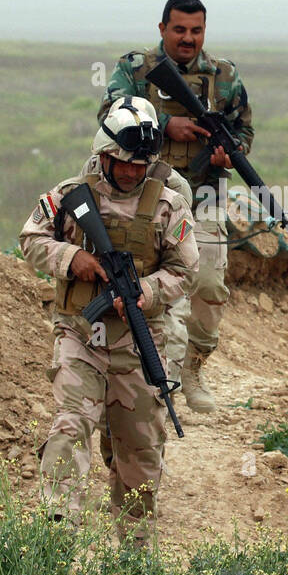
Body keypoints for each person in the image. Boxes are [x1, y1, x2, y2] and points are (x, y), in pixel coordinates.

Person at [19, 97, 198, 546]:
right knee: (69, 427)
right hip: (79, 335)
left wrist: (146, 291)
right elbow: (31, 238)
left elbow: (186, 272)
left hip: (139, 344)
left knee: (139, 451)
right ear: (103, 155)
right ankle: (55, 540)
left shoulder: (169, 205)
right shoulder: (69, 195)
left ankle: (136, 555)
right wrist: (71, 257)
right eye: (123, 164)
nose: (133, 173)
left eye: (141, 166)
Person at [98, 0, 252, 415]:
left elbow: (244, 130)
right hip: (145, 194)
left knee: (208, 285)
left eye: (196, 31)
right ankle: (148, 378)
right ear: (162, 28)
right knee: (151, 288)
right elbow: (110, 112)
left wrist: (228, 152)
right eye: (180, 29)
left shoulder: (224, 75)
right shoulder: (135, 69)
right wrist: (167, 126)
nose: (188, 38)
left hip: (204, 196)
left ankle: (193, 370)